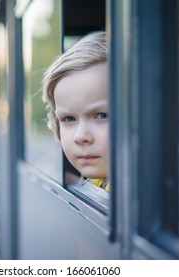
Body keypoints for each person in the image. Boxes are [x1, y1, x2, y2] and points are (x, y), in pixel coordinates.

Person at [42, 31, 109, 191]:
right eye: (69, 119)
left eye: (101, 115)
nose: (80, 136)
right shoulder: (102, 180)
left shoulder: (130, 193)